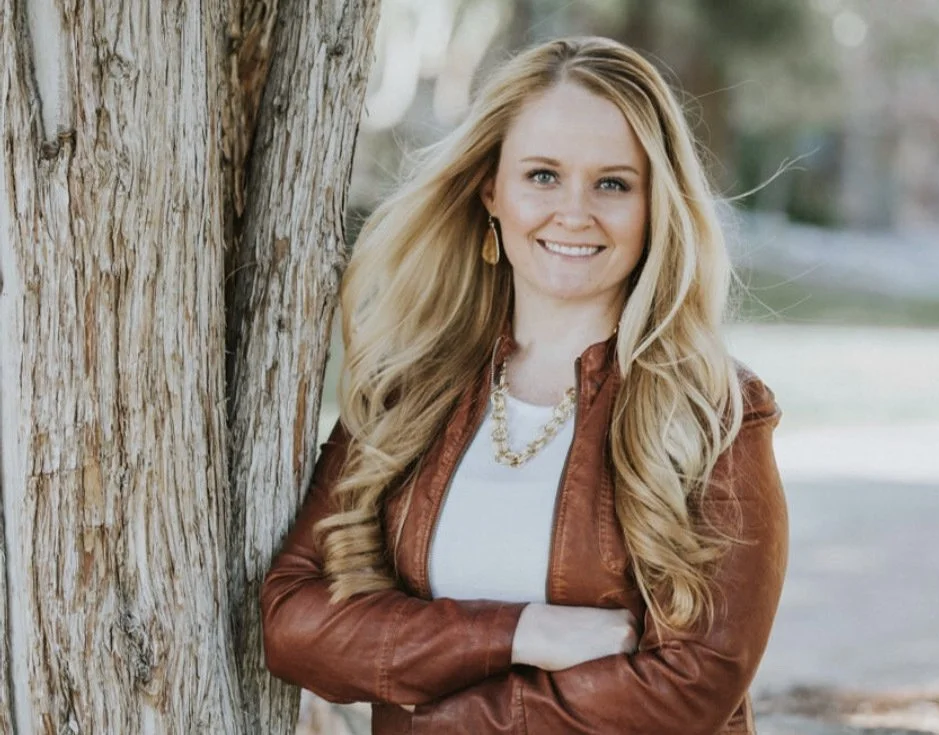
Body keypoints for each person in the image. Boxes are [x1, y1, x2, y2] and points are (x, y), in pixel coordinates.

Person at [261, 35, 788, 735]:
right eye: (542, 175)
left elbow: (690, 686)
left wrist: (440, 723)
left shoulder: (711, 411)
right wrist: (520, 632)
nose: (574, 212)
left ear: (655, 205)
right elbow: (294, 621)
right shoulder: (408, 393)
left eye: (613, 183)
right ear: (491, 189)